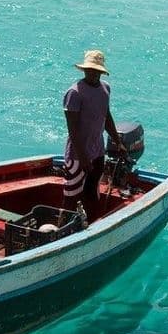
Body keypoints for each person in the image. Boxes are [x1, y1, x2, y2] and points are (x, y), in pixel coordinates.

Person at [63, 50, 123, 220]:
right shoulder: (74, 93)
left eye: (97, 71)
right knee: (71, 195)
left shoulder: (105, 89)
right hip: (77, 155)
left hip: (97, 152)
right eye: (90, 70)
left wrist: (118, 142)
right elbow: (72, 130)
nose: (93, 73)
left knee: (92, 190)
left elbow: (107, 117)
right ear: (84, 70)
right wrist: (82, 157)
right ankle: (64, 228)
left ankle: (91, 223)